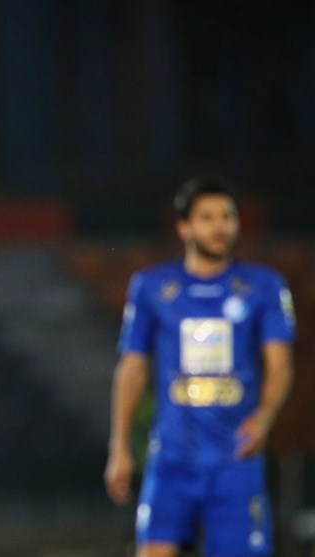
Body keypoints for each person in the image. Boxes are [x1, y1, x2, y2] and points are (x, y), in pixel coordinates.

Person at [104, 175, 296, 557]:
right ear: (184, 227)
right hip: (171, 457)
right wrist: (120, 446)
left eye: (227, 216)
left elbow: (280, 363)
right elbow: (132, 368)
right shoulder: (151, 288)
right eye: (207, 217)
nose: (219, 226)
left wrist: (264, 417)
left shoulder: (264, 287)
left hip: (235, 458)